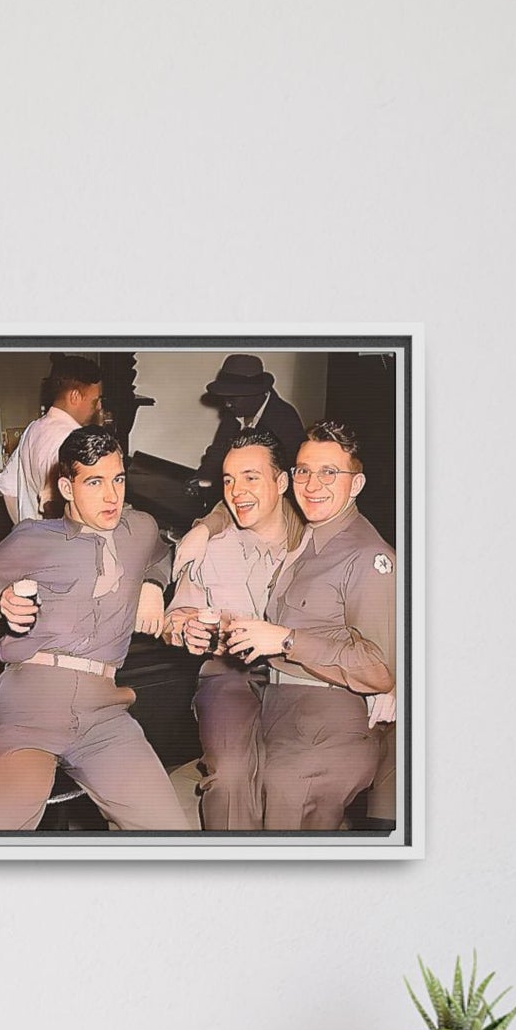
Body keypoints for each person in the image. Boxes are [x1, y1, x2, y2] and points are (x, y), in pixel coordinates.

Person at [0, 425, 196, 831]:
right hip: (27, 705)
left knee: (169, 833)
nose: (111, 496)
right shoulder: (33, 536)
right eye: (95, 482)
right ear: (66, 487)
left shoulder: (140, 529)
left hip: (104, 713)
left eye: (118, 480)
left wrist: (153, 585)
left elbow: (163, 554)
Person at [221, 420, 397, 831]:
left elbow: (380, 669)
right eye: (304, 471)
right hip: (278, 711)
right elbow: (240, 493)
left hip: (325, 723)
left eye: (328, 473)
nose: (312, 484)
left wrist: (286, 640)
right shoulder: (311, 535)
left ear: (356, 485)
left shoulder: (367, 556)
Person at [162, 428, 304, 831]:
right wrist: (182, 628)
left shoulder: (313, 542)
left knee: (294, 776)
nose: (236, 491)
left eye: (250, 477)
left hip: (299, 679)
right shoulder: (211, 545)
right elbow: (177, 616)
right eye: (229, 479)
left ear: (282, 482)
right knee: (229, 773)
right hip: (228, 677)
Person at [0, 354, 105, 524]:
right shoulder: (74, 440)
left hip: (33, 542)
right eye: (95, 400)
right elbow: (52, 504)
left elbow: (8, 487)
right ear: (75, 397)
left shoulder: (33, 428)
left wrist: (23, 530)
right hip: (63, 546)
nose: (99, 407)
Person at [190, 354, 306, 505]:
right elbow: (218, 452)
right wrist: (200, 479)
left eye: (233, 397)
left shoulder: (285, 421)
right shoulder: (236, 411)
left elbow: (291, 478)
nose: (227, 404)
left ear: (257, 393)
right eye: (225, 398)